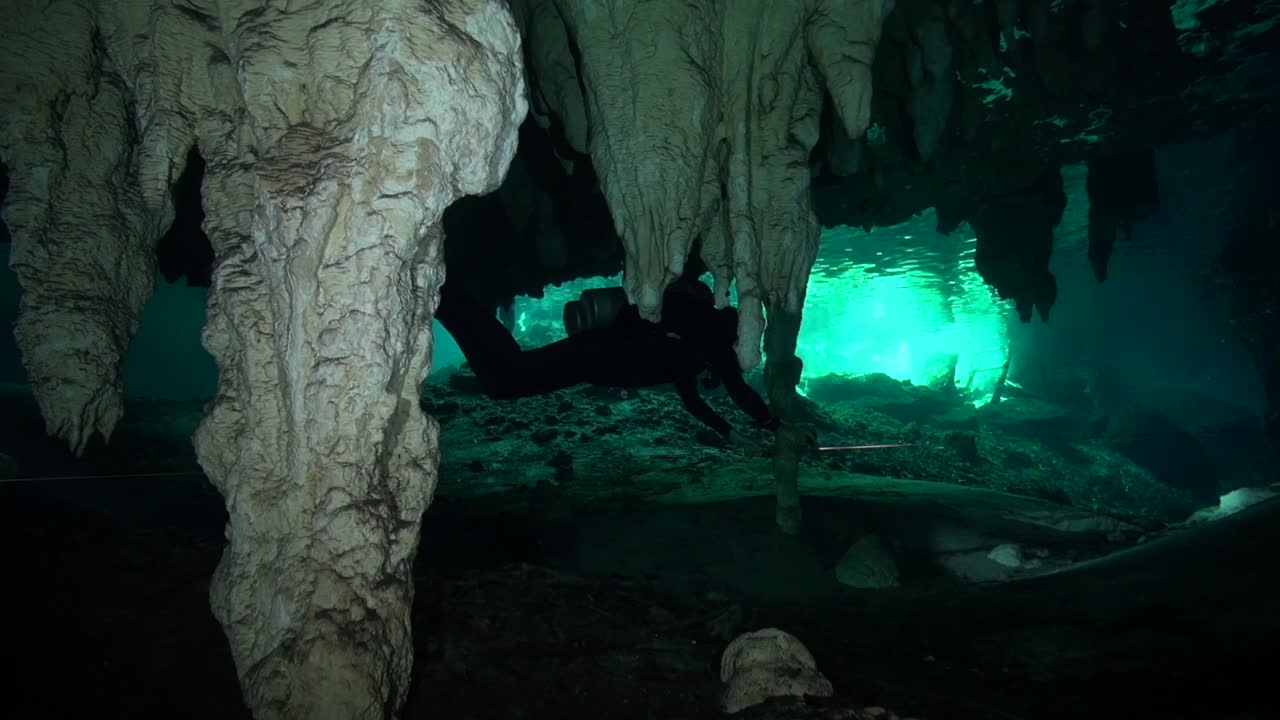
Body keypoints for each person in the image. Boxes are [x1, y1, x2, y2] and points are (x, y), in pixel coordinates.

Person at [434, 275, 780, 447]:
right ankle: (448, 296)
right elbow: (737, 388)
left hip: (594, 359)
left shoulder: (699, 346)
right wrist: (775, 426)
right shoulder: (711, 334)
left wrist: (730, 433)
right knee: (508, 379)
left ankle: (449, 299)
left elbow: (691, 400)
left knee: (506, 380)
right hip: (594, 356)